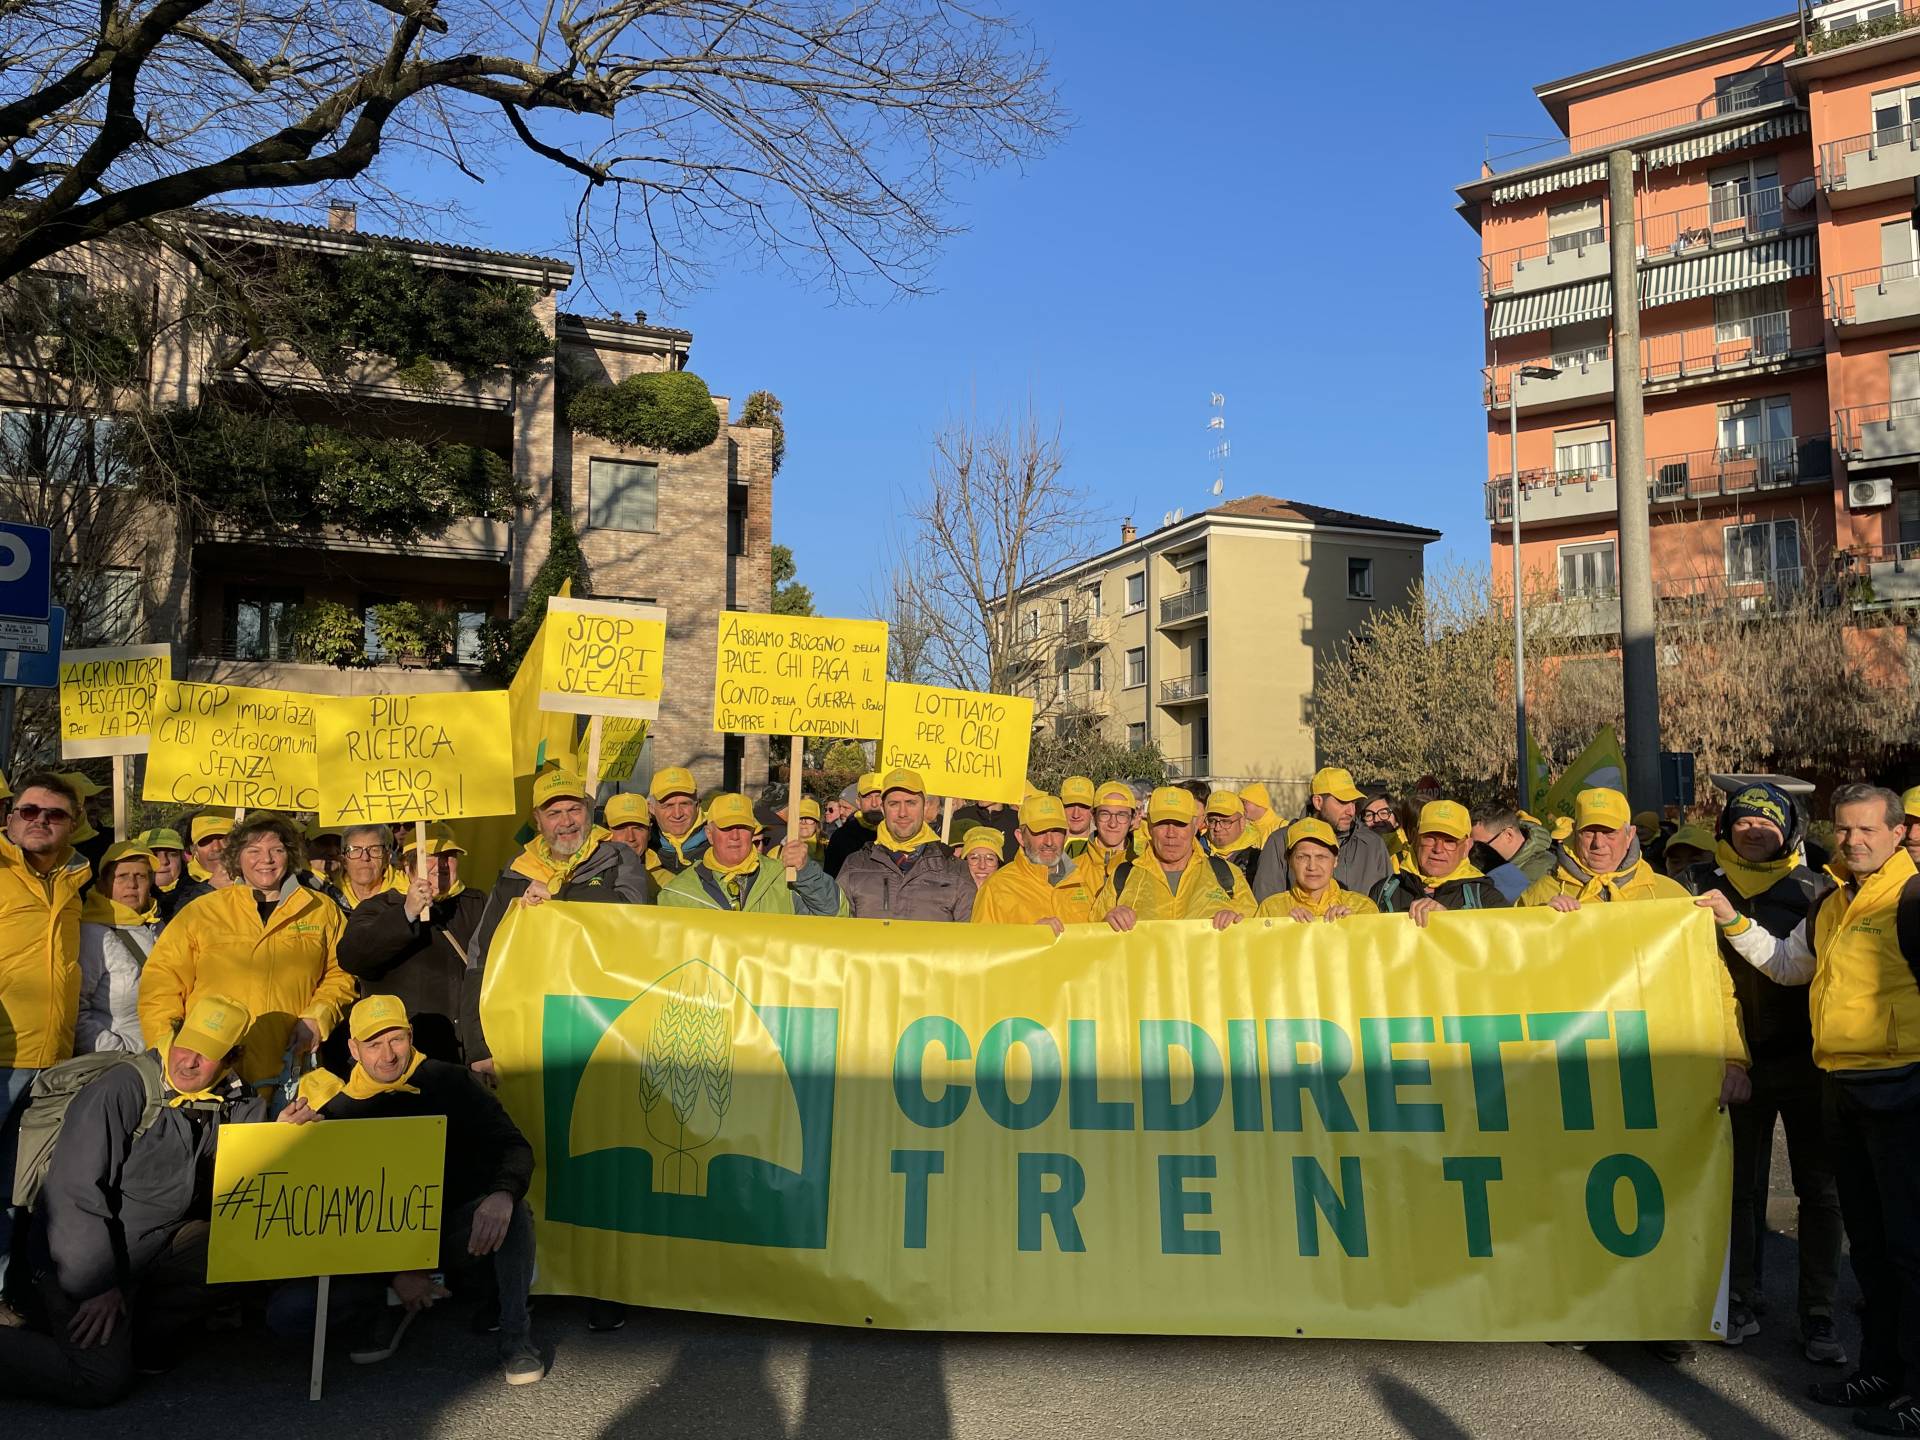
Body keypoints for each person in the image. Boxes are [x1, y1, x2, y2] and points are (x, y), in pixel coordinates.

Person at [1700, 784, 1920, 1429]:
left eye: (1868, 831)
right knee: (1874, 1248)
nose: (1854, 842)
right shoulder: (1832, 898)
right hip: (1843, 1089)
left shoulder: (1914, 897)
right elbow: (1791, 966)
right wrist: (1735, 924)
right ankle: (1879, 1373)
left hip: (1904, 1090)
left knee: (1911, 1249)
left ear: (1899, 831)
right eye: (1845, 831)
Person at [1525, 785, 1751, 1365]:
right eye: (1588, 830)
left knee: (1660, 1191)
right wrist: (1538, 934)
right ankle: (1584, 1306)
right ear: (1572, 835)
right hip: (1572, 1068)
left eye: (1610, 831)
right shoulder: (1539, 895)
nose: (1598, 842)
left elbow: (1712, 984)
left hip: (1654, 1067)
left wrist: (1732, 1057)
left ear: (1632, 836)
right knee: (1574, 1188)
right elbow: (1503, 972)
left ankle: (1665, 1313)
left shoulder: (1672, 897)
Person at [0, 994, 262, 1404]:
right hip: (78, 1261)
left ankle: (141, 1335)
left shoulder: (230, 1099)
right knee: (98, 1381)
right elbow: (71, 1194)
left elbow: (247, 1165)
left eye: (207, 1055)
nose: (188, 1061)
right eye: (186, 1044)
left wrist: (283, 1131)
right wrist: (95, 1286)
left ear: (230, 1059)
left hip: (152, 1250)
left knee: (247, 1251)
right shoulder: (124, 1087)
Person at [274, 995, 542, 1385]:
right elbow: (326, 1216)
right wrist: (282, 1145)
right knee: (288, 1314)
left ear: (411, 1036)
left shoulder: (452, 1081)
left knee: (514, 1213)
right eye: (373, 1043)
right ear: (352, 1049)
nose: (388, 1055)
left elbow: (515, 1146)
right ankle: (391, 1302)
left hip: (449, 1234)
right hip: (376, 1252)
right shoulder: (335, 1112)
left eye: (396, 1039)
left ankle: (517, 1339)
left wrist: (503, 1193)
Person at [1676, 782, 1840, 1363]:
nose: (1754, 830)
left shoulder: (1818, 890)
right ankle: (1739, 1296)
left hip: (1806, 1061)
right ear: (1724, 828)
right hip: (1726, 1061)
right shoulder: (1689, 887)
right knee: (1736, 1188)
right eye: (1743, 821)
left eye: (1768, 824)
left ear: (1789, 832)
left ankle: (1818, 1310)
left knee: (1819, 1192)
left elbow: (1797, 969)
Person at [138, 812, 354, 1088]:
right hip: (212, 1074)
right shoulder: (203, 912)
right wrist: (169, 1052)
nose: (266, 860)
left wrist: (317, 1017)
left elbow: (341, 974)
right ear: (237, 857)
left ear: (289, 855)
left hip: (289, 1068)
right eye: (254, 850)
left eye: (276, 850)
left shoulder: (321, 910)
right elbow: (161, 985)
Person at [463, 768, 651, 1080]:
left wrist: (558, 894)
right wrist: (478, 1046)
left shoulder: (617, 857)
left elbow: (629, 915)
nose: (566, 822)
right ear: (537, 820)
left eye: (574, 809)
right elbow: (481, 957)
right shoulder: (515, 870)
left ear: (588, 812)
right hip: (529, 1027)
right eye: (554, 813)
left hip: (602, 1025)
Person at [0, 773, 90, 1323]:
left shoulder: (78, 878)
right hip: (2, 1053)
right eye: (28, 810)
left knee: (18, 1188)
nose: (39, 820)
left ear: (73, 822)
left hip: (52, 1061)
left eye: (53, 814)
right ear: (9, 816)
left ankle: (6, 1294)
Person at [339, 822, 486, 1063]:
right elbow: (353, 958)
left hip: (471, 1057)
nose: (439, 866)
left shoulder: (477, 903)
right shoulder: (377, 907)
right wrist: (406, 913)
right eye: (427, 857)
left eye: (448, 856)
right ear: (407, 866)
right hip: (407, 1059)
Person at [1093, 786, 1254, 931]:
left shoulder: (1228, 876)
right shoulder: (1122, 877)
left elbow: (1258, 940)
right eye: (1162, 823)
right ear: (1149, 826)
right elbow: (1090, 940)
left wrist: (1239, 925)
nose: (1171, 833)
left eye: (1179, 824)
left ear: (1195, 826)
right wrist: (1106, 924)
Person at [657, 793, 845, 916]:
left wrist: (805, 872)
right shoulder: (678, 893)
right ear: (709, 834)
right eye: (726, 828)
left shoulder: (782, 878)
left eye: (743, 827)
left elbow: (835, 915)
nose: (735, 836)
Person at [836, 769, 974, 922]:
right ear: (883, 808)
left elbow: (968, 940)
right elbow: (835, 928)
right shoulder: (855, 865)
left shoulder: (956, 871)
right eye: (894, 804)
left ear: (925, 806)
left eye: (911, 803)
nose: (903, 813)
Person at [1251, 766, 1389, 905]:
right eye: (1342, 802)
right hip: (1301, 927)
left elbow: (1387, 901)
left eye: (1353, 802)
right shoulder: (1281, 841)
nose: (1351, 811)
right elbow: (1267, 907)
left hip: (1361, 927)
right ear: (1318, 802)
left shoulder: (1372, 844)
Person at [76, 842, 162, 1054]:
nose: (132, 884)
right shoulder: (93, 933)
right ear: (104, 884)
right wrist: (119, 1052)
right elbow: (75, 1011)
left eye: (141, 876)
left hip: (161, 1057)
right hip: (119, 1063)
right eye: (121, 876)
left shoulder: (158, 926)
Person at [970, 795, 1096, 933]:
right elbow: (983, 949)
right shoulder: (995, 888)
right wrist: (1029, 937)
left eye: (1056, 832)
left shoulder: (1083, 882)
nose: (1049, 841)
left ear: (1066, 836)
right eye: (1040, 832)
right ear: (1020, 837)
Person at [1371, 801, 1506, 923]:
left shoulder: (1486, 898)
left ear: (1467, 847)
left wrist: (1447, 921)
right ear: (1415, 838)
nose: (1438, 849)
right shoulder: (1384, 892)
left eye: (1450, 841)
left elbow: (1505, 946)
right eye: (1430, 838)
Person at [1258, 818, 1380, 922]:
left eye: (1321, 857)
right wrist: (1283, 927)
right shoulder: (1271, 910)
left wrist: (1353, 925)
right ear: (1289, 861)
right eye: (1302, 857)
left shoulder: (1362, 908)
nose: (1312, 866)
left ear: (1335, 860)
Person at [1470, 805, 1555, 902]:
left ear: (1508, 835)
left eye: (1479, 845)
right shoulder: (1483, 869)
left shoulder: (1549, 870)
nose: (1474, 852)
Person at [1074, 780, 1142, 894]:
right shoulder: (1073, 870)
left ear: (1133, 819)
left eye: (1121, 815)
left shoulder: (1142, 867)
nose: (1113, 824)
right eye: (1105, 814)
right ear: (1093, 817)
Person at [644, 767, 709, 880]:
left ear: (697, 805)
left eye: (684, 804)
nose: (677, 814)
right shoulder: (641, 846)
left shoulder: (720, 844)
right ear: (652, 808)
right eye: (668, 806)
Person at [823, 772, 883, 878]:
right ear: (858, 802)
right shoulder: (841, 838)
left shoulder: (900, 835)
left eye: (879, 796)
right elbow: (831, 884)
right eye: (867, 797)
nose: (874, 803)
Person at [331, 824, 403, 912]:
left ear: (387, 858)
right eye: (355, 850)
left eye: (374, 850)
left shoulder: (406, 894)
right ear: (344, 861)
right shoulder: (328, 899)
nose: (365, 858)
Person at [1200, 790, 1261, 881]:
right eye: (1212, 821)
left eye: (1225, 821)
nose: (1217, 828)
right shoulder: (1195, 851)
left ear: (1242, 821)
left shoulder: (1258, 858)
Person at [133, 829, 188, 922]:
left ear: (182, 859)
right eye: (154, 855)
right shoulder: (127, 900)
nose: (164, 861)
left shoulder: (202, 897)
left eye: (172, 854)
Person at [182, 813, 233, 894]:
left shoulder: (253, 877)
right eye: (206, 840)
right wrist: (210, 889)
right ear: (194, 849)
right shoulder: (180, 884)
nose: (216, 848)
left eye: (223, 838)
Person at [1361, 789, 1410, 866]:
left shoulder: (1407, 851)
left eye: (1383, 813)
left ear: (1397, 819)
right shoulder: (1358, 849)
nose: (1376, 820)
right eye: (1369, 815)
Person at [1059, 777, 1097, 858]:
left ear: (1092, 809)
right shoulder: (1045, 841)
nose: (1076, 815)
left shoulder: (1102, 844)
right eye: (1070, 805)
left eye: (1083, 806)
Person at [1239, 782, 1282, 850]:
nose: (1241, 806)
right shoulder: (1245, 829)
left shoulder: (1282, 827)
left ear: (1258, 802)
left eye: (1244, 802)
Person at [306, 820, 344, 889]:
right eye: (324, 843)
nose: (333, 852)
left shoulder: (352, 883)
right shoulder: (299, 885)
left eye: (339, 843)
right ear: (306, 845)